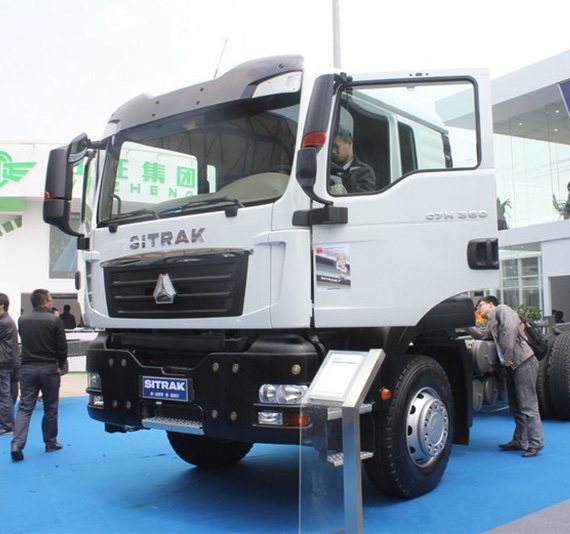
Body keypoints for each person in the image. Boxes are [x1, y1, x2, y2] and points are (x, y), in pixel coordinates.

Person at [470, 296, 544, 457]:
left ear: (491, 304)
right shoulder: (492, 322)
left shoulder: (502, 310)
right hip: (513, 365)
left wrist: (508, 356)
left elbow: (510, 331)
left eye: (480, 305)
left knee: (528, 405)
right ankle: (519, 441)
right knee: (516, 406)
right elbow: (484, 335)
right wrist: (466, 328)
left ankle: (536, 443)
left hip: (523, 362)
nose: (478, 309)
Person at [11, 289, 68, 462]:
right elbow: (62, 347)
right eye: (50, 300)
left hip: (28, 368)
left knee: (25, 408)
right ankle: (50, 442)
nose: (51, 303)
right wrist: (60, 364)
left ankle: (17, 444)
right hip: (49, 368)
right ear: (44, 302)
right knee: (50, 407)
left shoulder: (22, 319)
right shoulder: (55, 320)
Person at [330, 126, 376, 194]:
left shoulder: (364, 172)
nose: (333, 151)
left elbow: (364, 198)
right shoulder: (327, 169)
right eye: (331, 148)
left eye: (336, 147)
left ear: (350, 144)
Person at [0, 293, 18, 436]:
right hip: (8, 362)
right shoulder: (7, 320)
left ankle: (7, 425)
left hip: (3, 363)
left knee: (4, 394)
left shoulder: (3, 322)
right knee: (7, 394)